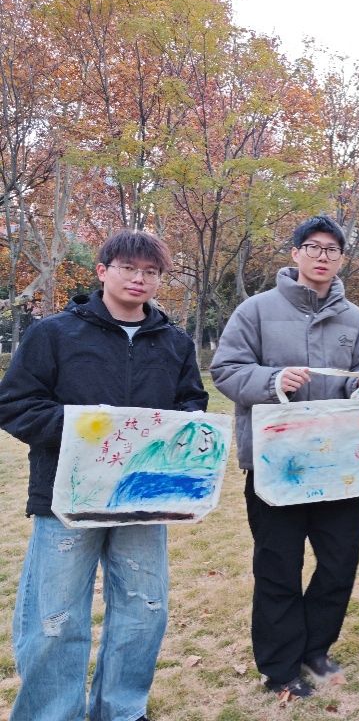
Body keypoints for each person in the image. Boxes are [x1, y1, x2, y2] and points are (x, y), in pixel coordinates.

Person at [0, 230, 208, 721]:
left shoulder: (174, 342)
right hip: (68, 498)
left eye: (151, 272)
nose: (140, 279)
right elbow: (15, 404)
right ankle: (52, 713)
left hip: (144, 499)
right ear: (102, 271)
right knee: (55, 618)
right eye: (129, 268)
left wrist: (180, 430)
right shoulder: (54, 334)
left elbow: (191, 403)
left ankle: (122, 710)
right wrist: (87, 430)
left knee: (143, 614)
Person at [210, 216, 359, 699]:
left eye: (332, 249)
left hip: (338, 465)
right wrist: (272, 381)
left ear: (341, 258)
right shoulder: (256, 310)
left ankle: (315, 647)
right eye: (313, 247)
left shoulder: (355, 318)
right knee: (278, 566)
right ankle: (281, 665)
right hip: (275, 466)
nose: (323, 256)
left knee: (339, 562)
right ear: (295, 253)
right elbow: (226, 369)